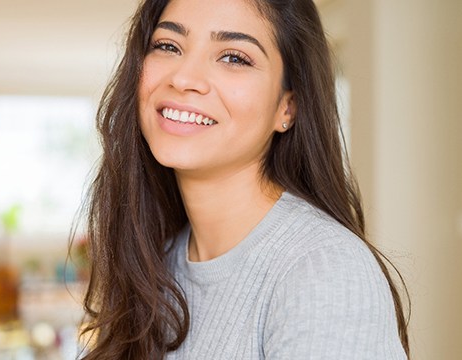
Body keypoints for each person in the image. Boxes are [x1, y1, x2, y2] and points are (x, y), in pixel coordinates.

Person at [75, 0, 410, 358]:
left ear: (288, 106)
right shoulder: (153, 263)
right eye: (168, 46)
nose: (183, 77)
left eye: (234, 57)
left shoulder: (323, 272)